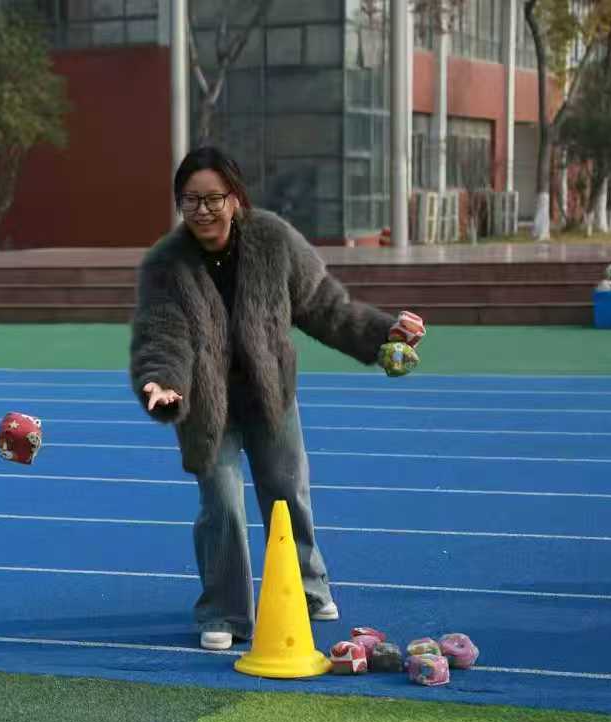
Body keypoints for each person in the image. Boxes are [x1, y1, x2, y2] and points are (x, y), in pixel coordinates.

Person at [129, 146, 425, 651]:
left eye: (213, 198)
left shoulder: (274, 240)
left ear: (235, 198)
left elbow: (325, 306)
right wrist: (160, 381)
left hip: (271, 393)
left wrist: (383, 335)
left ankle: (308, 587)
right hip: (205, 404)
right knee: (221, 504)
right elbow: (162, 336)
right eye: (190, 200)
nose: (203, 210)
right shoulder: (166, 264)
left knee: (288, 494)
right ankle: (224, 611)